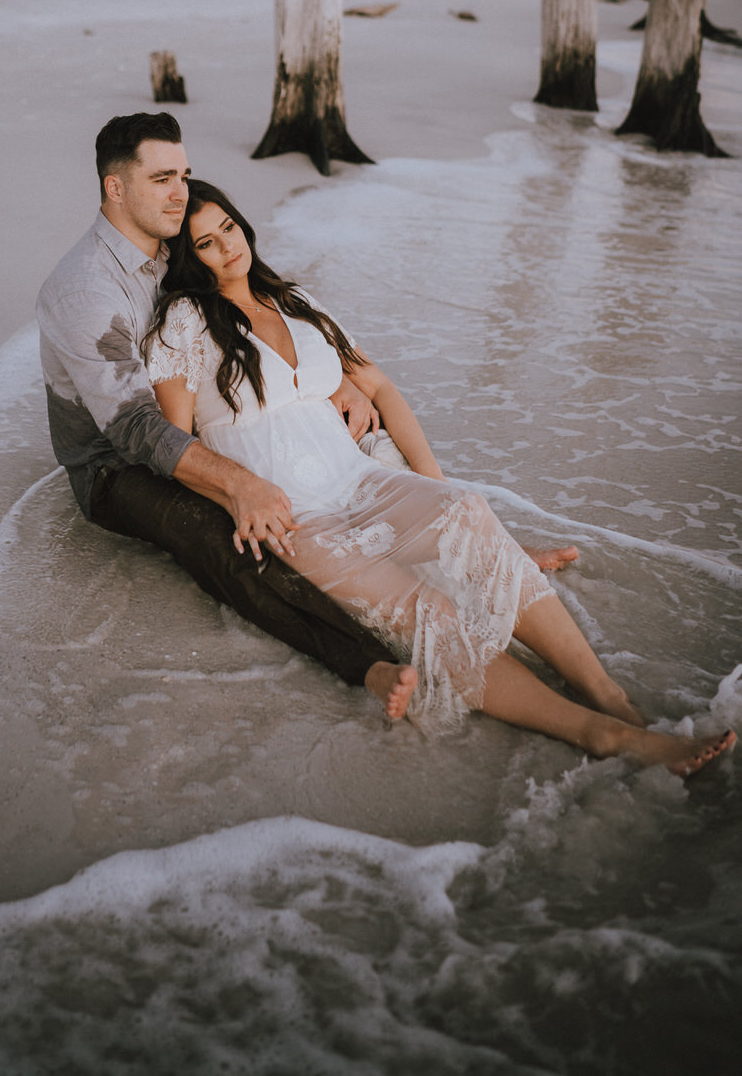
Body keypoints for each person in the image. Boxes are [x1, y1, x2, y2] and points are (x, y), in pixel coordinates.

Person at [144, 178, 736, 777]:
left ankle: (607, 692)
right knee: (427, 612)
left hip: (359, 480)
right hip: (295, 514)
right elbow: (177, 445)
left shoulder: (294, 301)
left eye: (228, 228)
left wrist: (439, 489)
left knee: (467, 514)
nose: (227, 246)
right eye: (206, 243)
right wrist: (236, 493)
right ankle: (598, 731)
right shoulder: (184, 324)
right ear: (189, 261)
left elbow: (378, 385)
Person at [36, 112, 416, 719]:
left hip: (189, 420)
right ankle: (366, 660)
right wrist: (240, 484)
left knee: (335, 447)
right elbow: (135, 430)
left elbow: (242, 316)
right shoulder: (86, 291)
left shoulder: (172, 245)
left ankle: (437, 556)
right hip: (114, 463)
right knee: (218, 530)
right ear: (115, 187)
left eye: (183, 174)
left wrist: (337, 381)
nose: (180, 192)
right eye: (162, 178)